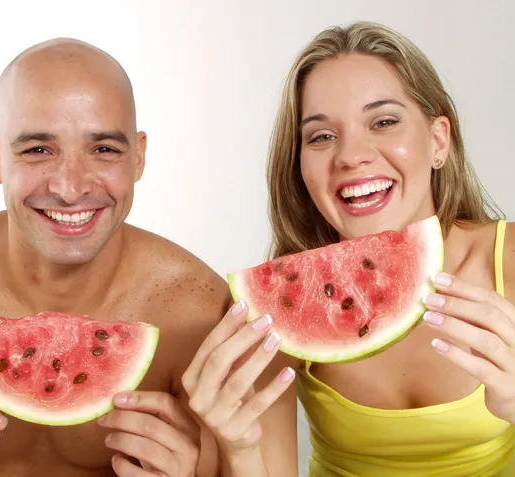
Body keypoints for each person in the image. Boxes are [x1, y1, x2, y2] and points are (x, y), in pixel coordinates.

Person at [0, 38, 298, 476]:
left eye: (104, 150)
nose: (70, 187)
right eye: (38, 149)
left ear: (139, 157)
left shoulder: (203, 317)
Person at [183, 21, 515, 476]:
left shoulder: (510, 261)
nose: (351, 156)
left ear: (438, 141)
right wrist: (237, 451)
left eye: (383, 121)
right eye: (321, 136)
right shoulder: (275, 311)